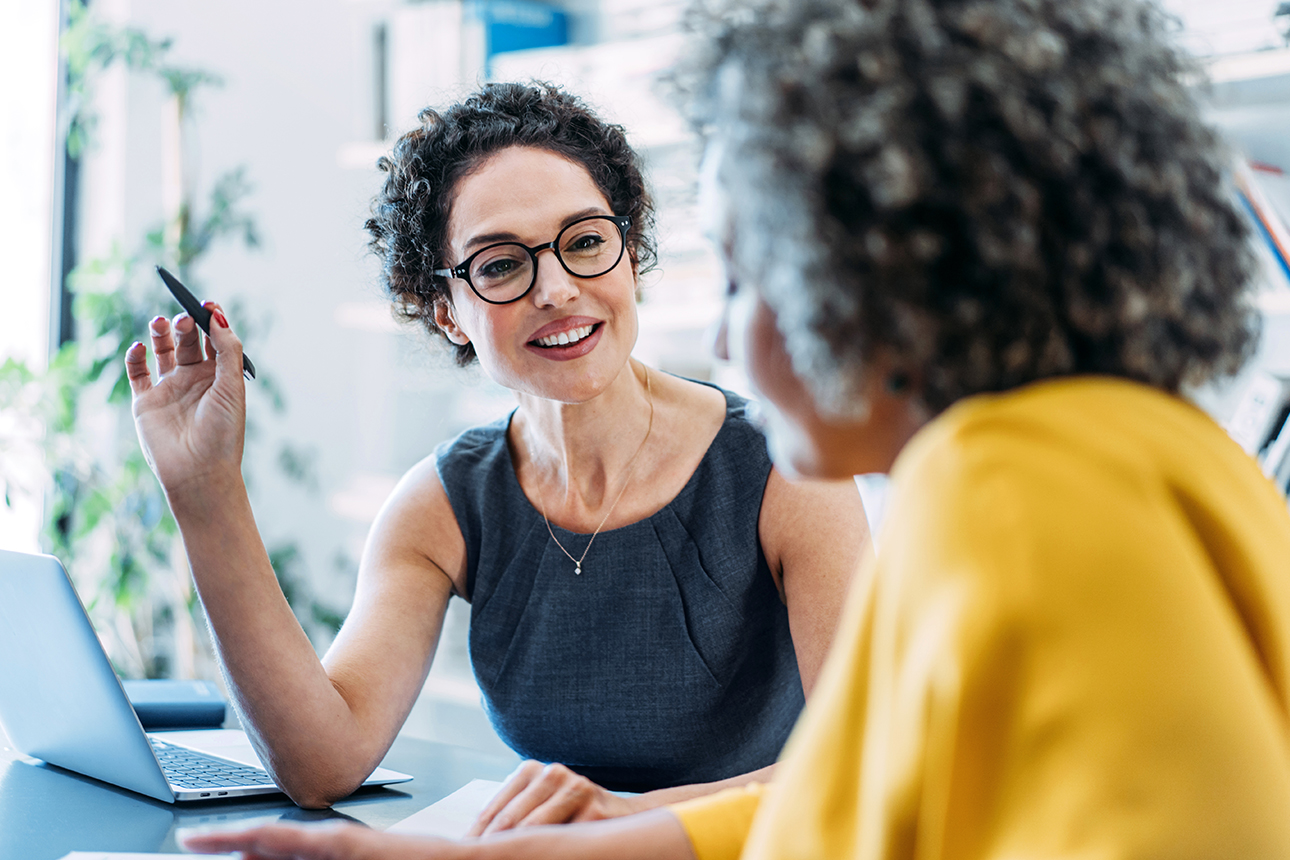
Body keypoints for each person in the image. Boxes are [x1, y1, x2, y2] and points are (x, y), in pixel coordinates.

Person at [184, 0, 1290, 857]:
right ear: (449, 305)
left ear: (864, 276)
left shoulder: (1003, 486)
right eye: (504, 265)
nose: (721, 332)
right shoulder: (1127, 448)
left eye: (745, 274)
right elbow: (842, 800)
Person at [124, 83, 867, 824]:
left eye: (584, 243)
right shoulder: (442, 504)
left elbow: (868, 762)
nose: (556, 289)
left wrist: (620, 824)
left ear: (631, 256)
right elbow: (321, 762)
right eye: (502, 264)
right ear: (447, 313)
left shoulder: (788, 468)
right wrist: (205, 489)